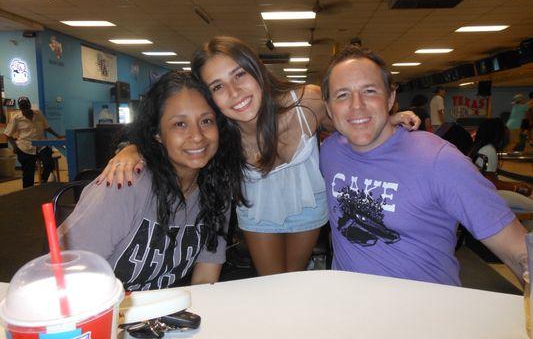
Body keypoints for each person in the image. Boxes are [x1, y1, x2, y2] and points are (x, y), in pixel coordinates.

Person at [97, 36, 420, 277]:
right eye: (218, 86)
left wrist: (386, 120)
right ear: (210, 96)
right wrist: (131, 148)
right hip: (258, 208)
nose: (235, 93)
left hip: (306, 203)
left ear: (257, 70)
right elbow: (170, 139)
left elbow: (348, 119)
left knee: (294, 279)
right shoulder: (218, 130)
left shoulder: (305, 103)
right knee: (271, 282)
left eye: (240, 75)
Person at [319, 44, 528, 286]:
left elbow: (519, 251)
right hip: (351, 309)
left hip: (425, 313)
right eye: (342, 94)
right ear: (328, 108)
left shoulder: (439, 161)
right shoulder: (331, 151)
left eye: (370, 91)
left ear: (390, 98)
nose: (357, 105)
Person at [59, 72, 247, 290]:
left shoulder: (216, 191)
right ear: (157, 133)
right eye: (180, 124)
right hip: (100, 312)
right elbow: (68, 273)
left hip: (160, 315)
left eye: (206, 121)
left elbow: (206, 278)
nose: (197, 136)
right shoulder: (127, 184)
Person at [470, 118, 533, 210]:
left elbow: (490, 179)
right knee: (531, 205)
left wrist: (515, 185)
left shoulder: (480, 147)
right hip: (487, 194)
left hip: (479, 192)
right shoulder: (489, 150)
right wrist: (516, 188)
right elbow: (490, 182)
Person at [4, 96, 63, 188]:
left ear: (30, 105)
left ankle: (43, 181)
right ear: (20, 108)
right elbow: (7, 134)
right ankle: (27, 192)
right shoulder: (16, 118)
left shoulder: (38, 114)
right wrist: (15, 148)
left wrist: (57, 135)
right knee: (28, 174)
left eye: (26, 106)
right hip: (25, 148)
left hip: (41, 146)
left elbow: (46, 127)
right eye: (22, 107)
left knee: (49, 163)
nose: (25, 109)